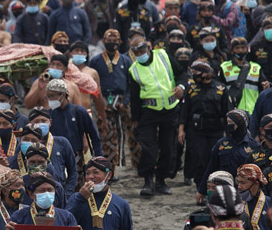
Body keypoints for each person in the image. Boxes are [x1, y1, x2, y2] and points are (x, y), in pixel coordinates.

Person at [128, 36, 187, 196]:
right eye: (136, 52)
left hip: (170, 109)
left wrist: (181, 87)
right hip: (149, 112)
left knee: (168, 147)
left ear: (148, 47)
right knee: (149, 148)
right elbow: (134, 97)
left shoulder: (163, 55)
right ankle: (148, 181)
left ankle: (161, 180)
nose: (140, 54)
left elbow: (182, 74)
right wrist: (135, 120)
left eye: (142, 50)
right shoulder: (134, 70)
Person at [179, 61, 231, 189]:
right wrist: (181, 130)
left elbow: (228, 112)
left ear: (205, 73)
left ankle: (213, 187)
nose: (194, 75)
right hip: (196, 130)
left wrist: (230, 133)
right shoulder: (191, 89)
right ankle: (200, 187)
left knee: (214, 158)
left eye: (196, 72)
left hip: (216, 130)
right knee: (199, 159)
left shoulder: (221, 88)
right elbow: (184, 111)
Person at [89, 29, 132, 172]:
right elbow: (92, 83)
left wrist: (125, 103)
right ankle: (107, 168)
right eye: (109, 40)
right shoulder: (95, 61)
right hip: (103, 99)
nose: (112, 42)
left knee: (123, 134)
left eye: (115, 40)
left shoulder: (126, 60)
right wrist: (99, 102)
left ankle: (119, 165)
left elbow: (130, 84)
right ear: (103, 41)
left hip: (122, 101)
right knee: (105, 134)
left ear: (120, 42)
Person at [196, 110, 259, 204]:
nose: (229, 125)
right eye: (228, 122)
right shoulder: (221, 144)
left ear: (240, 123)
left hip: (245, 192)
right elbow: (211, 167)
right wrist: (201, 191)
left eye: (231, 123)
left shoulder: (253, 145)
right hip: (224, 191)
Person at [44, 78, 102, 176]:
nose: (50, 99)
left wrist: (98, 158)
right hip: (56, 157)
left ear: (63, 95)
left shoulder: (79, 112)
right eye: (48, 96)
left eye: (53, 96)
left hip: (76, 157)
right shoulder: (49, 114)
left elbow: (94, 136)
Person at [219, 37, 263, 114]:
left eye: (243, 47)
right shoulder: (224, 67)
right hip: (234, 112)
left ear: (247, 49)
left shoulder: (256, 67)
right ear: (232, 50)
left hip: (253, 111)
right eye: (237, 48)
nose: (240, 50)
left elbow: (262, 88)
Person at [235, 164, 272, 230]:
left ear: (256, 184)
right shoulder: (234, 204)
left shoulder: (271, 204)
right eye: (238, 182)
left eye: (243, 183)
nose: (239, 186)